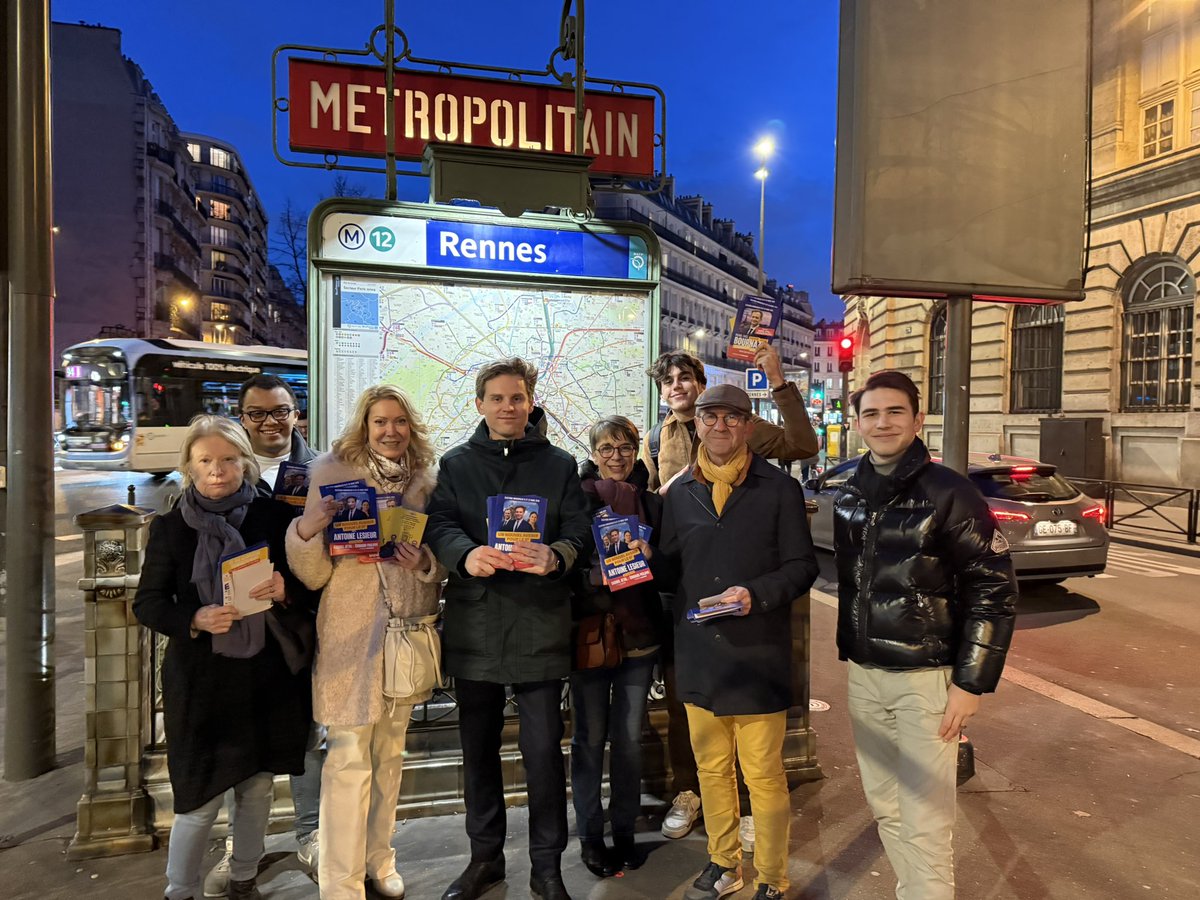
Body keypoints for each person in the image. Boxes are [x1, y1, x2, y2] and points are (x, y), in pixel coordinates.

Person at [834, 371, 1017, 900]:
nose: (883, 422)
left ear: (917, 420)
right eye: (871, 413)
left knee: (926, 816)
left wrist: (970, 684)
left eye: (895, 412)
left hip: (927, 681)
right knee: (886, 804)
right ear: (858, 423)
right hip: (865, 675)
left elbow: (994, 591)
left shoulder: (950, 493)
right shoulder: (851, 493)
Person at [427, 357, 592, 900]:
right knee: (477, 750)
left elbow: (578, 532)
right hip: (476, 624)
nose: (507, 407)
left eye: (516, 398)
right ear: (479, 405)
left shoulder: (560, 464)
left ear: (530, 403)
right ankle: (485, 860)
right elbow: (441, 524)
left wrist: (557, 555)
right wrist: (465, 553)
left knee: (544, 753)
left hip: (540, 623)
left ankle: (547, 867)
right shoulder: (454, 464)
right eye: (496, 399)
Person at [640, 347, 817, 849]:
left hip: (752, 626)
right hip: (693, 621)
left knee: (755, 748)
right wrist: (636, 553)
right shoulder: (656, 444)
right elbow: (667, 548)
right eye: (668, 380)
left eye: (685, 378)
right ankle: (695, 801)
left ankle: (753, 826)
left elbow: (802, 445)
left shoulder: (767, 474)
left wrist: (778, 379)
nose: (718, 425)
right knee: (692, 723)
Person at [133, 415, 317, 900]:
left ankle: (242, 879)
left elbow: (305, 585)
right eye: (206, 461)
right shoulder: (173, 528)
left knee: (256, 789)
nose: (218, 470)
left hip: (264, 675)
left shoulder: (273, 517)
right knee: (197, 799)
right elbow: (148, 603)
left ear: (246, 462)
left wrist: (285, 589)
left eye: (229, 459)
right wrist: (195, 618)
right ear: (189, 466)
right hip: (202, 681)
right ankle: (180, 890)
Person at [286, 384, 447, 900]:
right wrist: (307, 530)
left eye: (399, 421)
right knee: (347, 756)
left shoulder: (425, 483)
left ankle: (380, 858)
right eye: (380, 422)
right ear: (364, 426)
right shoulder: (331, 476)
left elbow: (437, 561)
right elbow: (311, 576)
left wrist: (422, 564)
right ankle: (341, 880)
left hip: (405, 632)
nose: (391, 431)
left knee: (392, 752)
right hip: (350, 636)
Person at [200, 375, 324, 898]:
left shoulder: (322, 471)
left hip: (302, 623)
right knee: (244, 740)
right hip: (242, 631)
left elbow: (338, 551)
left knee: (312, 736)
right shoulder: (223, 471)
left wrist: (292, 589)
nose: (271, 422)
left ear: (295, 413)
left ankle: (312, 833)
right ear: (242, 415)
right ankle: (241, 848)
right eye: (258, 414)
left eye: (281, 412)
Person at [569, 416, 664, 879]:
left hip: (639, 636)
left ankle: (624, 831)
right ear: (593, 452)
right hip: (591, 634)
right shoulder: (578, 499)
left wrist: (653, 559)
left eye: (625, 447)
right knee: (588, 740)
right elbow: (563, 564)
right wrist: (594, 576)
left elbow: (670, 564)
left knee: (627, 741)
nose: (616, 457)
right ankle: (590, 835)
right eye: (606, 448)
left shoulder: (650, 501)